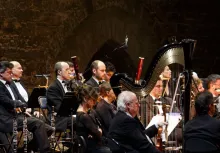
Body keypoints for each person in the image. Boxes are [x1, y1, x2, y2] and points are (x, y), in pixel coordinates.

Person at [0, 61, 52, 153]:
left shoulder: (11, 84)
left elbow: (20, 99)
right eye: (9, 72)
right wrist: (21, 104)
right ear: (1, 73)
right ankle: (46, 151)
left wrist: (29, 108)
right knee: (38, 123)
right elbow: (6, 101)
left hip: (16, 116)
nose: (11, 74)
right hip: (6, 120)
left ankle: (26, 150)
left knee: (48, 129)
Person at [75, 84, 111, 153]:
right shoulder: (84, 116)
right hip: (91, 148)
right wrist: (99, 131)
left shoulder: (79, 113)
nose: (94, 103)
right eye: (93, 100)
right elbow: (98, 134)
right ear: (85, 99)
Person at [46, 61, 73, 131]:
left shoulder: (70, 85)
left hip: (67, 116)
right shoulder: (53, 88)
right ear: (59, 72)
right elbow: (59, 108)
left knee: (87, 117)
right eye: (67, 70)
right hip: (58, 118)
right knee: (82, 120)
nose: (70, 72)